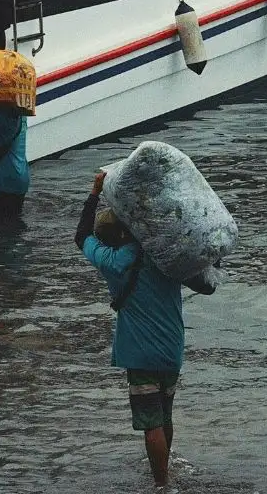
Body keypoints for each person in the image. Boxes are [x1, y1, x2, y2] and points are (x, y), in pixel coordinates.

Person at [76, 170, 185, 490]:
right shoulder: (164, 253)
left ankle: (161, 484)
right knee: (165, 414)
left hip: (140, 353)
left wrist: (94, 193)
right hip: (173, 347)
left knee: (150, 421)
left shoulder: (113, 263)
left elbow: (81, 236)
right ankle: (167, 467)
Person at [0, 104, 28, 218]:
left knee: (0, 222)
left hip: (7, 180)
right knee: (14, 219)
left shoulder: (5, 121)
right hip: (21, 177)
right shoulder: (21, 117)